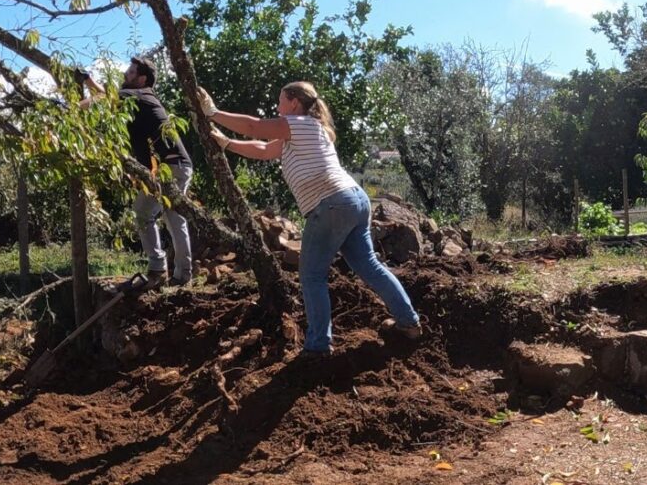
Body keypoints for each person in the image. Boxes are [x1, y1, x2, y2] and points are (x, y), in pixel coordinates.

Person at [198, 81, 423, 356]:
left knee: (312, 275)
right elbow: (263, 149)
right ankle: (408, 323)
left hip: (331, 204)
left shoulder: (299, 123)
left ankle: (318, 346)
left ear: (294, 102)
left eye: (280, 100)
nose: (278, 106)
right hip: (354, 200)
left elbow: (255, 126)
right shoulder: (306, 132)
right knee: (369, 266)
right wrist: (227, 143)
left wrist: (213, 112)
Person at [83, 58, 194, 286]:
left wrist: (72, 108)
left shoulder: (142, 96)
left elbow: (108, 98)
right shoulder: (137, 100)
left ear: (142, 79)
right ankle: (177, 274)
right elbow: (113, 98)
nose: (126, 74)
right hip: (170, 167)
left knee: (152, 213)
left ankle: (165, 271)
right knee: (167, 217)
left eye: (131, 72)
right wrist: (88, 81)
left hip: (173, 167)